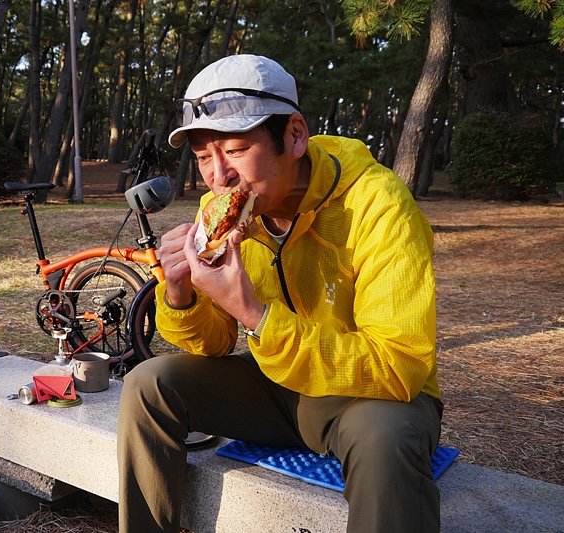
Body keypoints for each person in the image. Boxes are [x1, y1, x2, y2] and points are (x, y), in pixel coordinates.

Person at [117, 54, 442, 533]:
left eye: (235, 150)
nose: (218, 177)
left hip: (371, 398)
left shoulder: (378, 204)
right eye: (205, 157)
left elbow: (400, 364)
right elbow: (213, 345)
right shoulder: (220, 210)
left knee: (384, 440)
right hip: (278, 388)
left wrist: (254, 313)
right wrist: (182, 293)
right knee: (150, 384)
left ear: (293, 135)